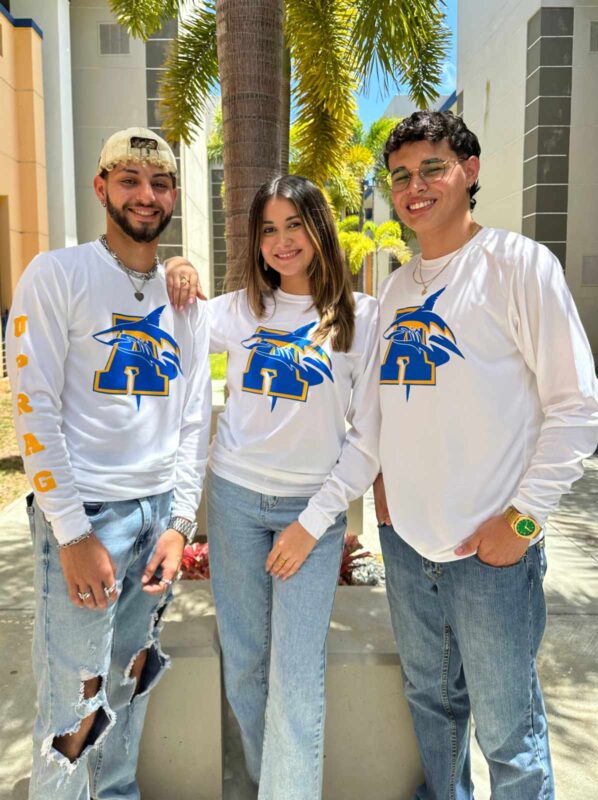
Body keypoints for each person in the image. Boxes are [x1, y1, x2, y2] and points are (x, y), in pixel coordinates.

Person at [374, 111, 598, 800]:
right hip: (409, 549)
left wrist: (521, 524)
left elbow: (578, 407)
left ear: (469, 172)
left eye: (432, 168)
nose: (416, 187)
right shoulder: (396, 287)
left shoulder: (519, 265)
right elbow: (393, 405)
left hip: (490, 557)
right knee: (434, 714)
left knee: (509, 733)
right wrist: (384, 499)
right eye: (401, 177)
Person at [7, 127, 212, 800]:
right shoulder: (57, 275)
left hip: (157, 522)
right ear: (101, 188)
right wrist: (71, 532)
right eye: (129, 180)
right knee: (75, 705)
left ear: (175, 196)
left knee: (130, 680)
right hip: (86, 517)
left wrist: (181, 523)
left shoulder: (184, 301)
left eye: (159, 183)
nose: (145, 195)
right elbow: (33, 409)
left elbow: (192, 418)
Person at [199, 175, 379, 799]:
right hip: (234, 503)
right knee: (246, 666)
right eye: (268, 230)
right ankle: (269, 785)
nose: (281, 241)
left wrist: (314, 523)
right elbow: (164, 317)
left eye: (294, 225)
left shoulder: (363, 318)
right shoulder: (238, 310)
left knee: (296, 674)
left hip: (313, 511)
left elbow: (369, 439)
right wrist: (174, 266)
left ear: (318, 227)